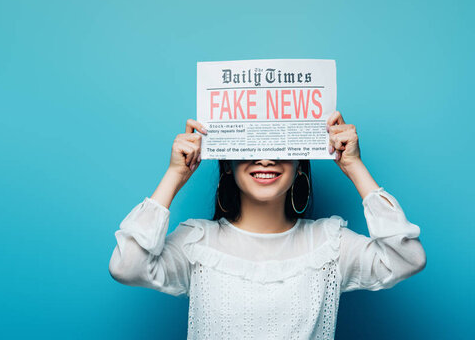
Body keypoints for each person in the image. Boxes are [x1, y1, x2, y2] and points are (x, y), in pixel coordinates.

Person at [108, 111, 426, 339]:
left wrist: (354, 166)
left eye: (279, 145)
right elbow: (127, 266)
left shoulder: (330, 244)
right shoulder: (198, 243)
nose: (265, 159)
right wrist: (175, 176)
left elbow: (406, 259)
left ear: (300, 163)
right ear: (228, 165)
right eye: (250, 146)